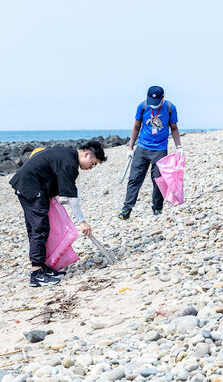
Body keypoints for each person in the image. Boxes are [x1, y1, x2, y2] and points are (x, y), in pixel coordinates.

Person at [10, 141, 107, 287]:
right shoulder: (69, 163)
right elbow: (71, 198)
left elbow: (65, 190)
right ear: (86, 154)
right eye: (93, 163)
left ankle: (42, 267)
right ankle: (36, 274)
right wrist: (82, 222)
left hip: (30, 185)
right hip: (30, 187)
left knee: (40, 228)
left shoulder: (67, 154)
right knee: (39, 229)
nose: (91, 168)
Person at [118, 86, 183, 220]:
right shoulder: (143, 106)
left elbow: (174, 128)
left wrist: (179, 147)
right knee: (134, 179)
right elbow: (136, 127)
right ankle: (127, 208)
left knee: (158, 180)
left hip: (160, 149)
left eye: (156, 102)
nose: (153, 105)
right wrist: (130, 148)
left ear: (162, 98)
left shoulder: (170, 108)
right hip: (142, 148)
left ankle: (157, 208)